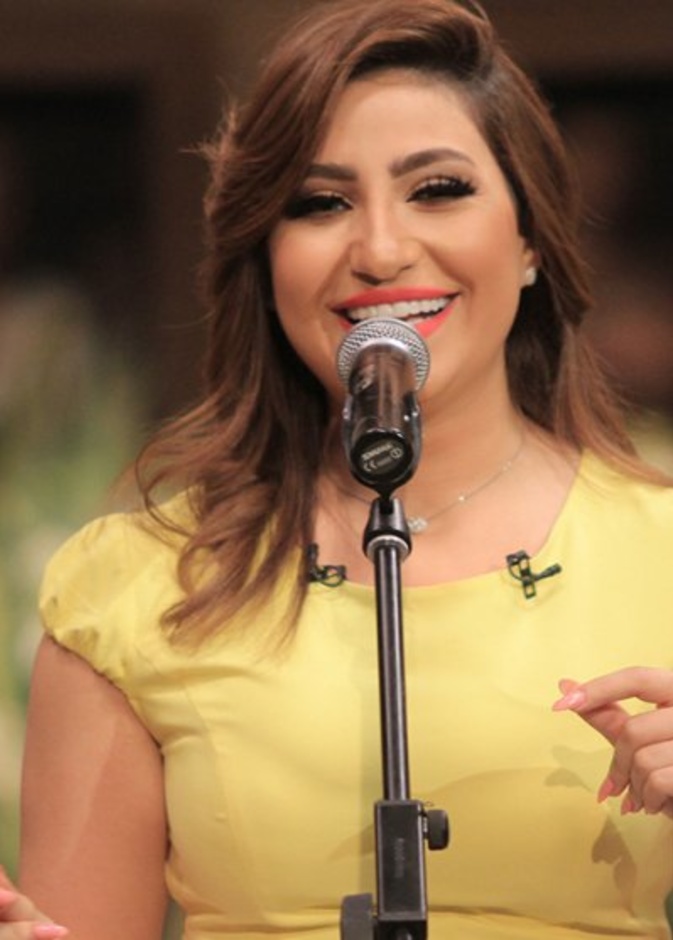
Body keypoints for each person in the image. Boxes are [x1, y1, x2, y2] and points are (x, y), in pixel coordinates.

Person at [4, 0, 673, 937]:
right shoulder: (134, 585)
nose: (382, 251)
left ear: (529, 239)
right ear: (264, 258)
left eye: (437, 189)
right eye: (320, 204)